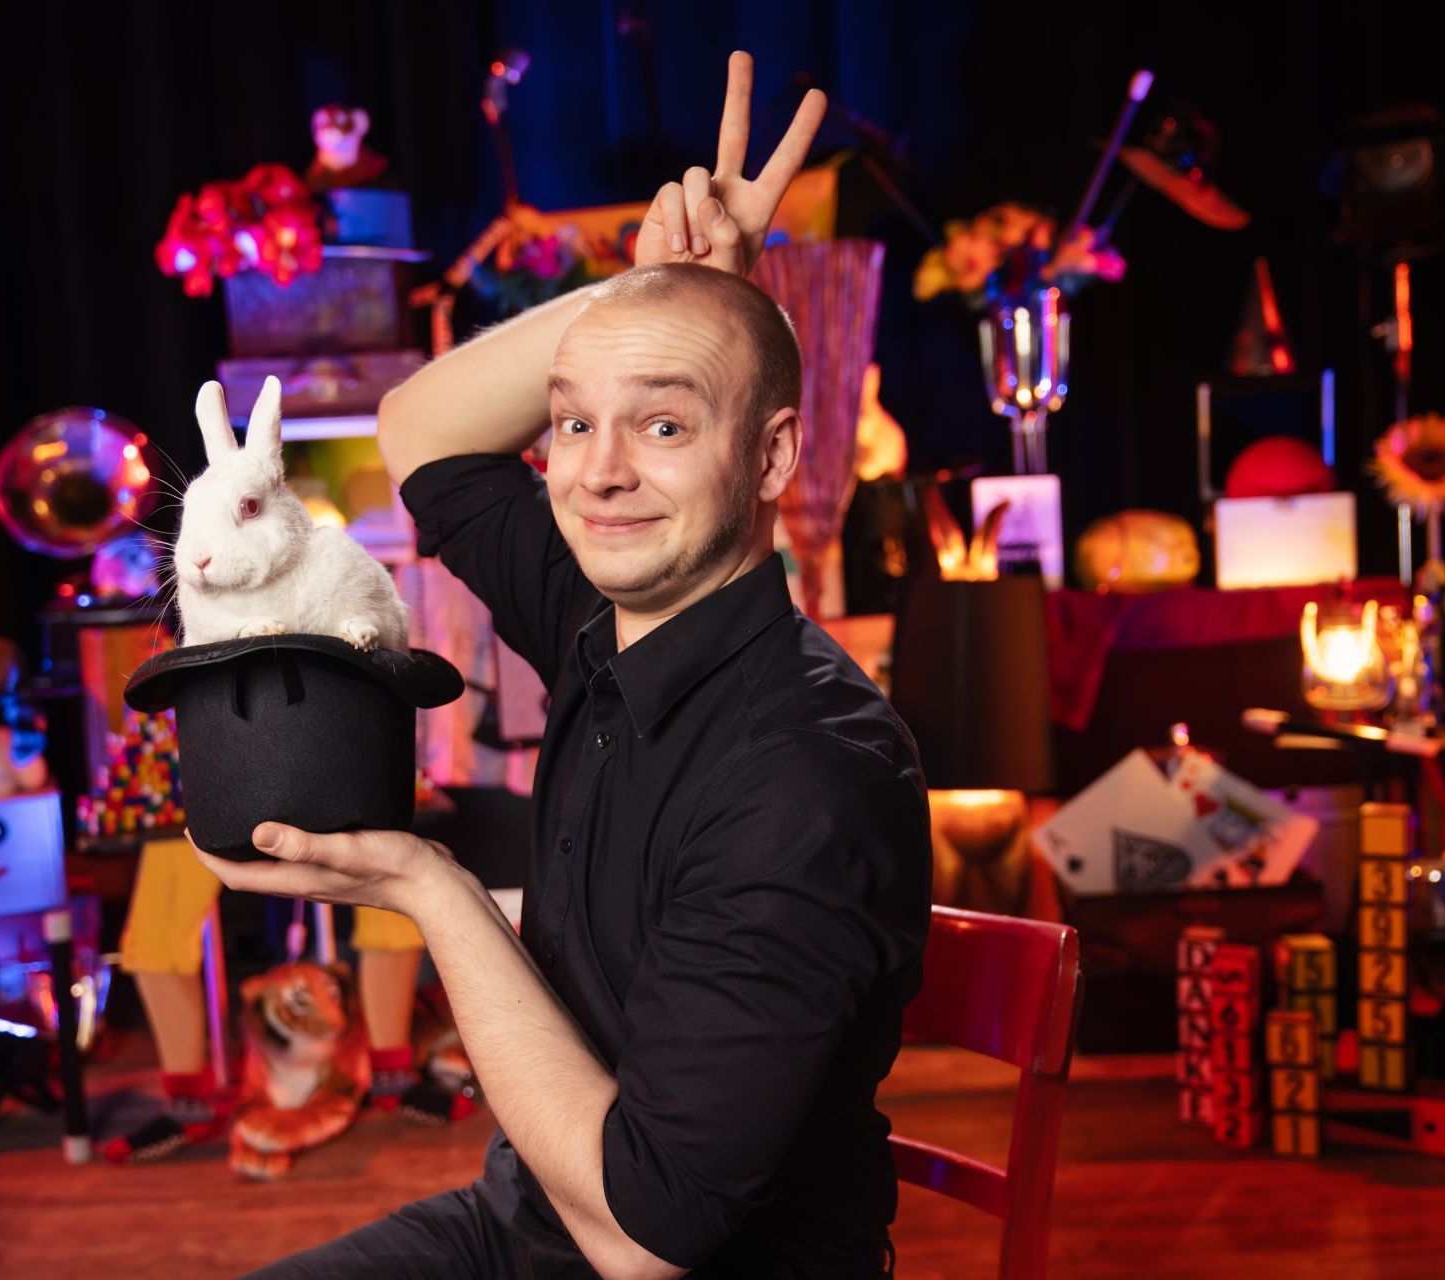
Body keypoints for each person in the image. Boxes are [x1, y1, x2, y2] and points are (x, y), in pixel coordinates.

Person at [202, 51, 931, 1280]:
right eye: (575, 422)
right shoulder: (605, 614)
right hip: (526, 1226)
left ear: (770, 457)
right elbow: (420, 429)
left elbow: (645, 1236)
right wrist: (658, 290)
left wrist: (434, 888)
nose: (598, 473)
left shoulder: (806, 775)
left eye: (663, 423)